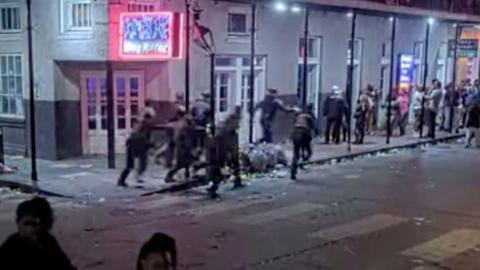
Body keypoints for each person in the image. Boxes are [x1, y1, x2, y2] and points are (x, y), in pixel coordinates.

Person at [0, 197, 76, 270]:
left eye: (34, 225)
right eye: (26, 223)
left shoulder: (47, 241)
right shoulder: (12, 245)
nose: (29, 229)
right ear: (18, 222)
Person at [117, 113, 154, 187]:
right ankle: (123, 180)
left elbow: (139, 137)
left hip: (134, 146)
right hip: (135, 146)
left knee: (133, 164)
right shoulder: (143, 126)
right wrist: (149, 144)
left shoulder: (140, 126)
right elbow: (142, 137)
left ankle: (124, 179)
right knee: (133, 165)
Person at [164, 110, 196, 183]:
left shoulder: (182, 124)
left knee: (189, 162)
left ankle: (188, 175)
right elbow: (180, 136)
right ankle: (169, 176)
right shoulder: (183, 125)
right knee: (180, 163)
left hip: (184, 146)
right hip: (183, 147)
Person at [290, 107, 315, 180]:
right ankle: (303, 161)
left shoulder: (296, 118)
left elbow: (294, 126)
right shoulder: (308, 117)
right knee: (308, 150)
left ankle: (293, 171)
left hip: (295, 134)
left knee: (296, 153)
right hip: (304, 133)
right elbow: (312, 127)